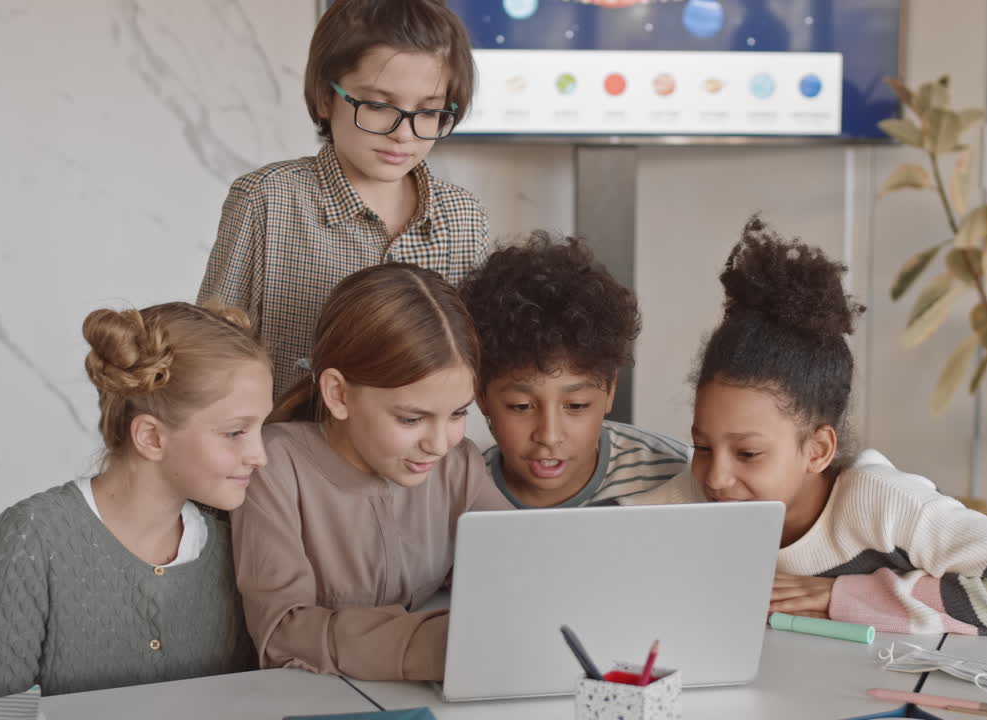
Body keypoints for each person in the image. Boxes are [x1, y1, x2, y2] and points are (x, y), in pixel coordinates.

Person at [637, 215, 987, 637]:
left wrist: (845, 597)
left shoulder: (881, 504)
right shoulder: (694, 498)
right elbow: (608, 561)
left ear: (817, 450)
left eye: (748, 453)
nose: (716, 476)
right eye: (702, 446)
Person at [0, 302, 271, 706]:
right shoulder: (30, 542)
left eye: (260, 428)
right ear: (151, 437)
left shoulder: (230, 549)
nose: (260, 455)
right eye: (236, 432)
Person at [231, 263, 511, 682]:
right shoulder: (274, 466)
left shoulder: (460, 465)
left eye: (457, 414)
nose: (439, 444)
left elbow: (524, 568)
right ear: (339, 394)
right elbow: (282, 634)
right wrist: (427, 647)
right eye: (412, 419)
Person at [199, 0, 489, 395]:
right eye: (377, 106)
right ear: (325, 97)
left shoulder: (463, 217)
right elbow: (211, 353)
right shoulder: (268, 199)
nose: (403, 134)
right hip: (289, 432)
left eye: (427, 111)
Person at [459, 232, 689, 508]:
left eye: (577, 405)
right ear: (480, 395)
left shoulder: (678, 475)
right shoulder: (457, 493)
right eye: (521, 406)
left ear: (610, 390)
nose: (549, 436)